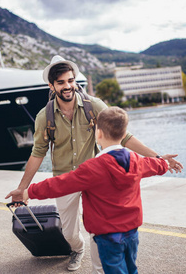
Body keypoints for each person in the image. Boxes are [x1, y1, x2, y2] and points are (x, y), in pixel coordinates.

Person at [5, 55, 183, 272]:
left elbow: (123, 136)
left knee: (98, 227)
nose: (67, 86)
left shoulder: (94, 106)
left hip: (93, 177)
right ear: (51, 86)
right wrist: (23, 189)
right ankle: (77, 249)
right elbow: (38, 153)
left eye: (70, 80)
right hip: (65, 177)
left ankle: (101, 265)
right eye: (61, 82)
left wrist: (157, 157)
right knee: (69, 233)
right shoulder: (45, 117)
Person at [22, 106, 171, 274]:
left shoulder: (93, 168)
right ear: (123, 135)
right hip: (131, 232)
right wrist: (165, 163)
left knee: (114, 270)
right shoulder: (136, 160)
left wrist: (28, 192)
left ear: (98, 134)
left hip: (107, 235)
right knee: (130, 268)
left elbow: (60, 184)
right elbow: (156, 165)